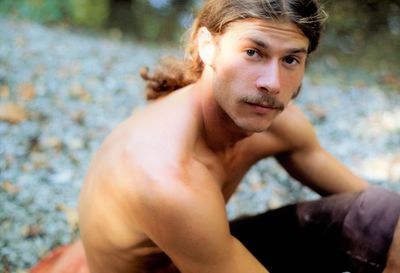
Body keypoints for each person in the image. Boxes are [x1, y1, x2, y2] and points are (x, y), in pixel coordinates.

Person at [30, 0, 400, 273]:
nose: (272, 83)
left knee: (386, 214)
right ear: (208, 47)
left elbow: (372, 216)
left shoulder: (279, 122)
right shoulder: (166, 177)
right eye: (253, 52)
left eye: (290, 60)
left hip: (203, 251)